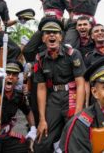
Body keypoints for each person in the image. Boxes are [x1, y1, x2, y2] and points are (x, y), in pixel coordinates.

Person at [33, 18, 86, 152]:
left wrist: (78, 113)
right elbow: (41, 88)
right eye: (47, 32)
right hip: (54, 98)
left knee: (74, 136)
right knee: (41, 142)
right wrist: (42, 119)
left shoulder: (73, 54)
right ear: (43, 38)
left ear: (61, 37)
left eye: (55, 32)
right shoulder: (39, 58)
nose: (52, 35)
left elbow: (81, 84)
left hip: (72, 95)